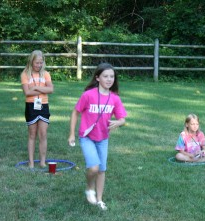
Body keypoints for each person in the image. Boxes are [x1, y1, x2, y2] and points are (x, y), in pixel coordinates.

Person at [68, 63, 127, 211]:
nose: (109, 79)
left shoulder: (115, 98)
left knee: (101, 169)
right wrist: (71, 134)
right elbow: (76, 112)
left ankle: (99, 200)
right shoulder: (88, 95)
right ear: (97, 78)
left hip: (103, 139)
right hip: (87, 136)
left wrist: (119, 123)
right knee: (93, 168)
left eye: (112, 76)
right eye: (105, 76)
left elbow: (123, 118)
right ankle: (89, 188)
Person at [21, 50, 54, 168]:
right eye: (37, 63)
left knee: (43, 134)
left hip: (43, 105)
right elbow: (27, 92)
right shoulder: (25, 74)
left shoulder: (45, 74)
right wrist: (40, 88)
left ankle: (42, 161)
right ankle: (31, 162)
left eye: (41, 63)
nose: (39, 65)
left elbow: (51, 89)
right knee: (32, 134)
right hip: (31, 106)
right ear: (31, 61)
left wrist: (35, 88)